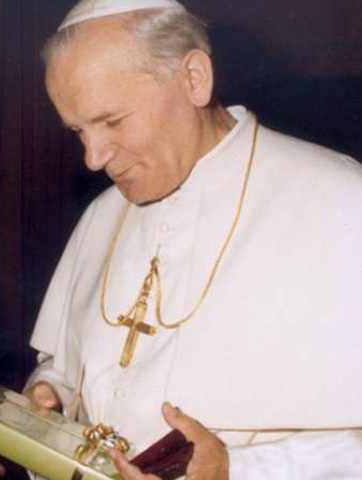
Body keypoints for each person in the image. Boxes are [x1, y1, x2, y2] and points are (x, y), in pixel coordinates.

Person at [25, 1, 362, 479]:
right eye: (79, 130)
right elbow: (65, 361)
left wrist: (236, 470)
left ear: (194, 78)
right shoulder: (102, 215)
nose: (93, 158)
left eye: (113, 121)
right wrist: (53, 393)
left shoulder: (340, 201)